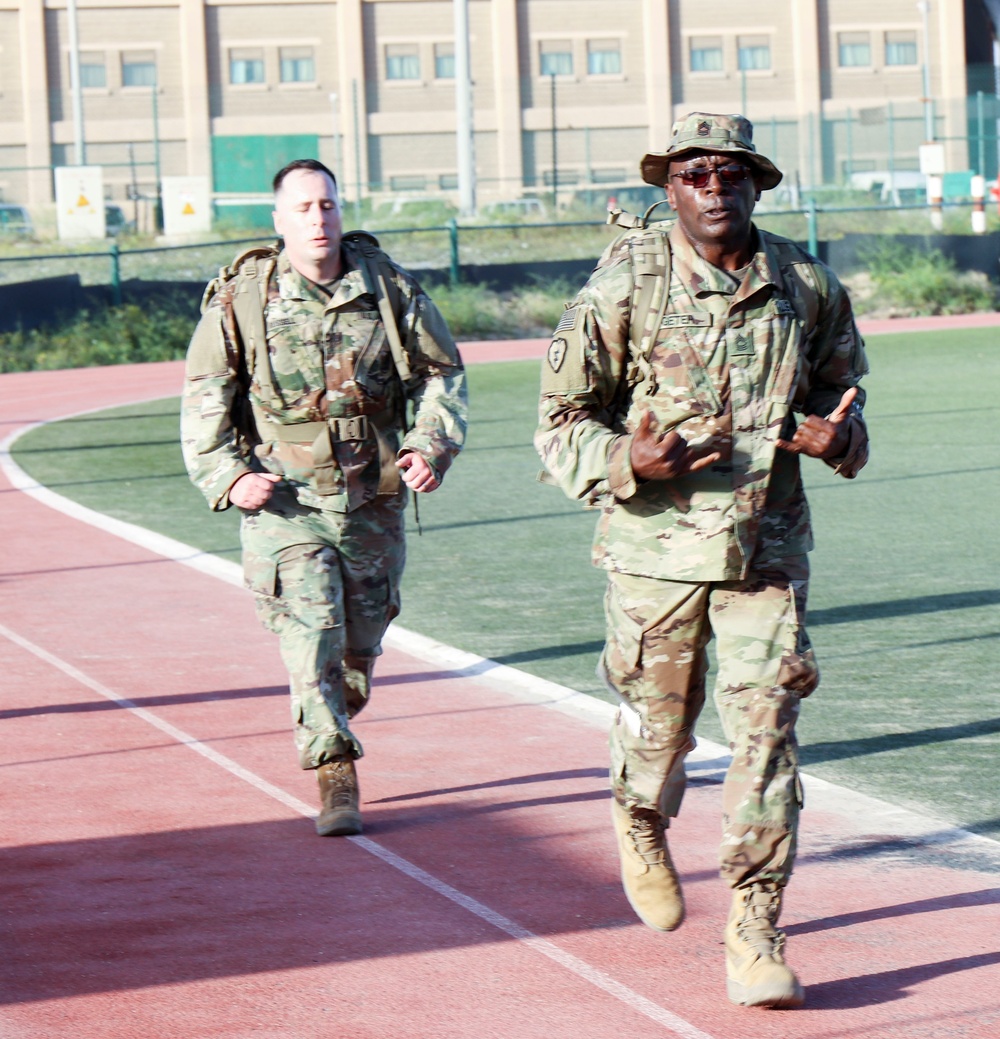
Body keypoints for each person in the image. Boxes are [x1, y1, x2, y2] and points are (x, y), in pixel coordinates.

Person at [535, 113, 868, 1008]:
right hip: (656, 551)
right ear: (669, 188)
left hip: (766, 550)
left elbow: (847, 410)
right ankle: (641, 814)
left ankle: (755, 928)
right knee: (660, 730)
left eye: (730, 173)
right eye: (694, 174)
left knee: (767, 732)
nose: (714, 188)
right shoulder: (625, 283)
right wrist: (623, 461)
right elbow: (561, 420)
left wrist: (838, 441)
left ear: (758, 184)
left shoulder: (805, 285)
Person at [181, 158, 467, 837]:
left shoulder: (388, 288)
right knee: (313, 632)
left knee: (357, 643)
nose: (319, 219)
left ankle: (345, 687)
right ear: (279, 220)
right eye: (304, 208)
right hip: (286, 505)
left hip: (371, 500)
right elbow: (203, 400)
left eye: (328, 205)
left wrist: (431, 444)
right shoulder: (242, 299)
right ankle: (335, 769)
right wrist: (228, 476)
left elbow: (440, 375)